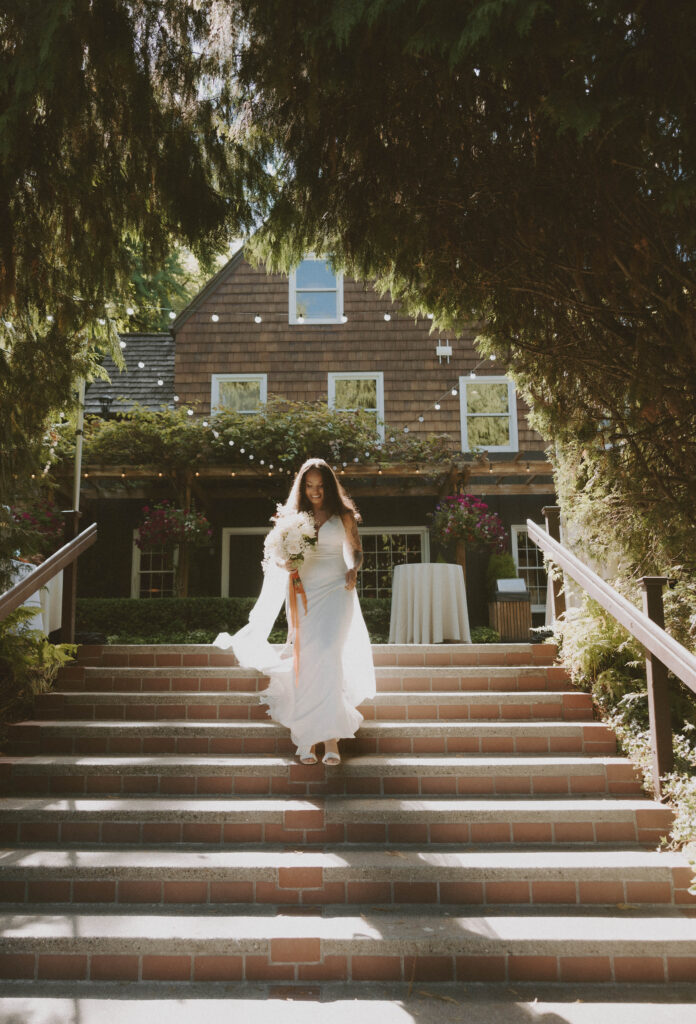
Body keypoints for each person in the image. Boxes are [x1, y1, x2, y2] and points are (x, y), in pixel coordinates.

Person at [214, 458, 376, 765]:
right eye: (309, 485)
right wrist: (284, 564)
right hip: (305, 591)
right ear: (302, 487)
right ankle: (307, 738)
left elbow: (356, 550)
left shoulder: (344, 514)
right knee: (309, 659)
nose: (315, 491)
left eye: (321, 485)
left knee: (328, 653)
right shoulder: (291, 517)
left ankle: (330, 739)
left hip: (337, 591)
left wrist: (354, 569)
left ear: (329, 485)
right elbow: (277, 555)